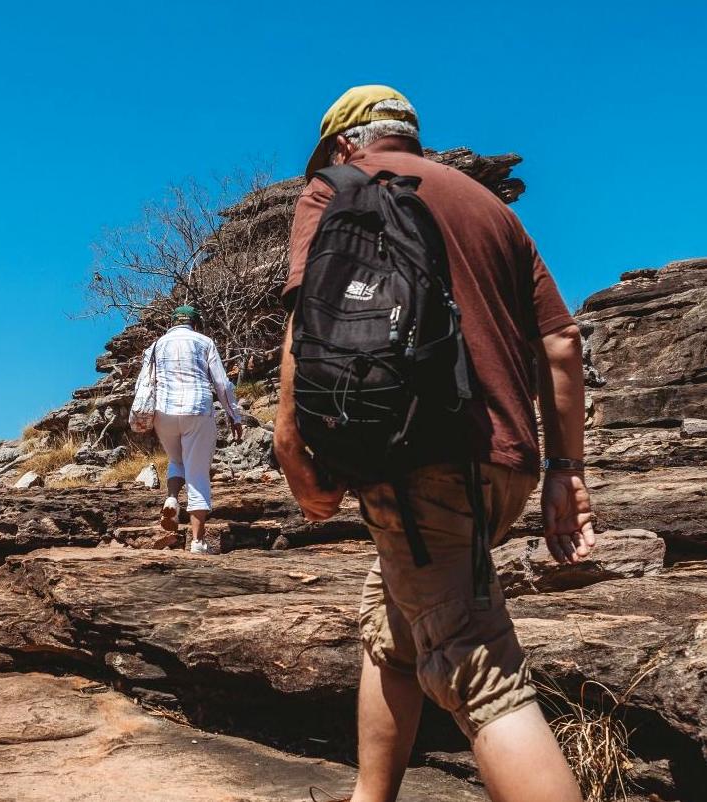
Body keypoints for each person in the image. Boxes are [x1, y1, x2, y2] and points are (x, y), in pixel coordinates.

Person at [274, 85, 595, 802]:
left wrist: (293, 449)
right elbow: (563, 343)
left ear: (341, 144)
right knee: (391, 629)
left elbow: (307, 322)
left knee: (481, 677)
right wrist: (565, 473)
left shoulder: (339, 190)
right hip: (504, 464)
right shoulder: (492, 210)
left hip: (417, 459)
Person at [137, 306, 244, 554]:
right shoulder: (204, 342)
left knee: (176, 459)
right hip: (197, 410)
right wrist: (234, 415)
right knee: (197, 474)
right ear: (196, 323)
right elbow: (221, 383)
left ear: (172, 322)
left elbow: (144, 382)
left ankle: (172, 498)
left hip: (164, 412)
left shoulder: (155, 346)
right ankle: (198, 542)